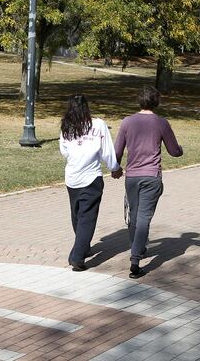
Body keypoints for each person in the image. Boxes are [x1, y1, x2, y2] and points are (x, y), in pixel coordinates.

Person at [112, 85, 183, 279]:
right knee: (143, 218)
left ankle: (139, 248)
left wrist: (115, 168)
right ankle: (135, 260)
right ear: (156, 102)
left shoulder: (127, 122)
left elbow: (117, 150)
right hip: (151, 176)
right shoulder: (161, 123)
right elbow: (173, 150)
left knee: (135, 216)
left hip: (132, 176)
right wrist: (180, 150)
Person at [59, 94, 121, 272]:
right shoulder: (99, 124)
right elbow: (107, 151)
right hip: (91, 177)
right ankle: (77, 257)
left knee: (77, 215)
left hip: (72, 177)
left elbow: (64, 150)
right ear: (87, 107)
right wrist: (114, 168)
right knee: (87, 218)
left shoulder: (66, 126)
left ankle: (83, 246)